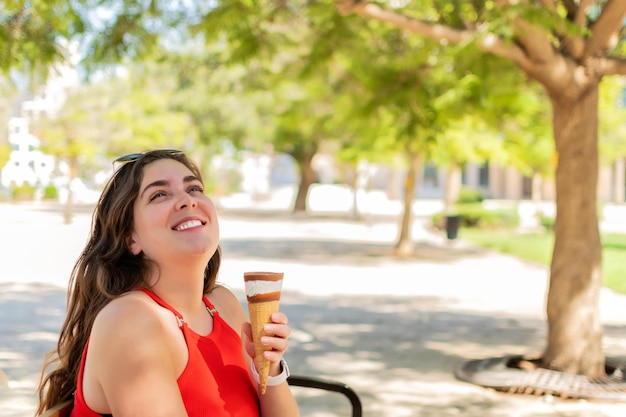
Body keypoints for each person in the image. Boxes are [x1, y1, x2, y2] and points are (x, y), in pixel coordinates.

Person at [36, 149, 300, 417]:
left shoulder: (223, 304)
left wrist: (271, 368)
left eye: (194, 188)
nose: (187, 200)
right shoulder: (130, 321)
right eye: (159, 194)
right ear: (131, 239)